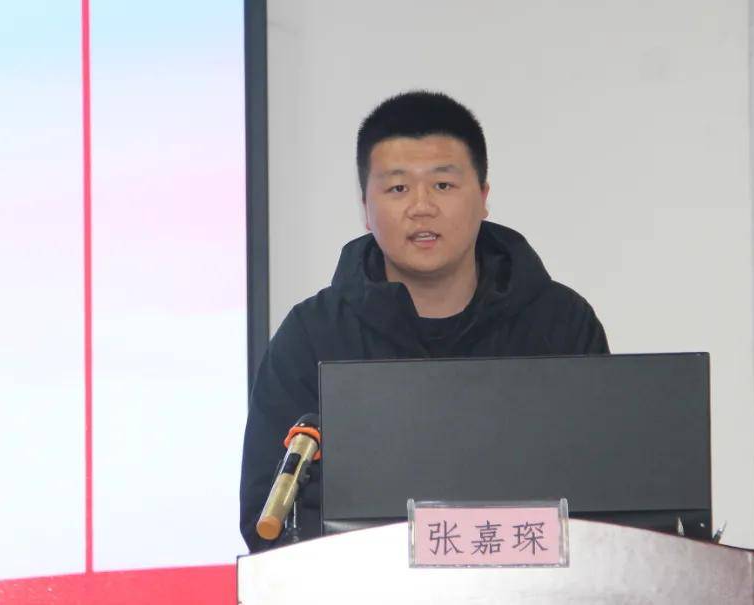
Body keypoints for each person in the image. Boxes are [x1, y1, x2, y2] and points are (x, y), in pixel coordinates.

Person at [240, 91, 609, 552]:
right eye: (398, 188)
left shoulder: (560, 325)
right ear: (365, 207)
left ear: (483, 197)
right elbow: (268, 521)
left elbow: (606, 504)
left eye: (443, 185)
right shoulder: (312, 336)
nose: (421, 207)